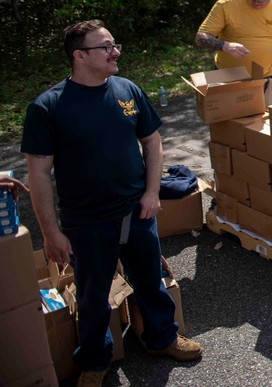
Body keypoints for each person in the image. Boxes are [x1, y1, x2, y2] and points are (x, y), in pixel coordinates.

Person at [22, 21, 202, 386]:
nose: (115, 51)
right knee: (92, 296)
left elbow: (152, 142)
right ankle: (94, 360)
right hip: (86, 222)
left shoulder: (127, 90)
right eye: (105, 47)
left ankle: (161, 338)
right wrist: (50, 232)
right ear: (79, 56)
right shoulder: (48, 106)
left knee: (151, 280)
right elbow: (38, 175)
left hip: (137, 212)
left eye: (113, 44)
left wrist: (152, 193)